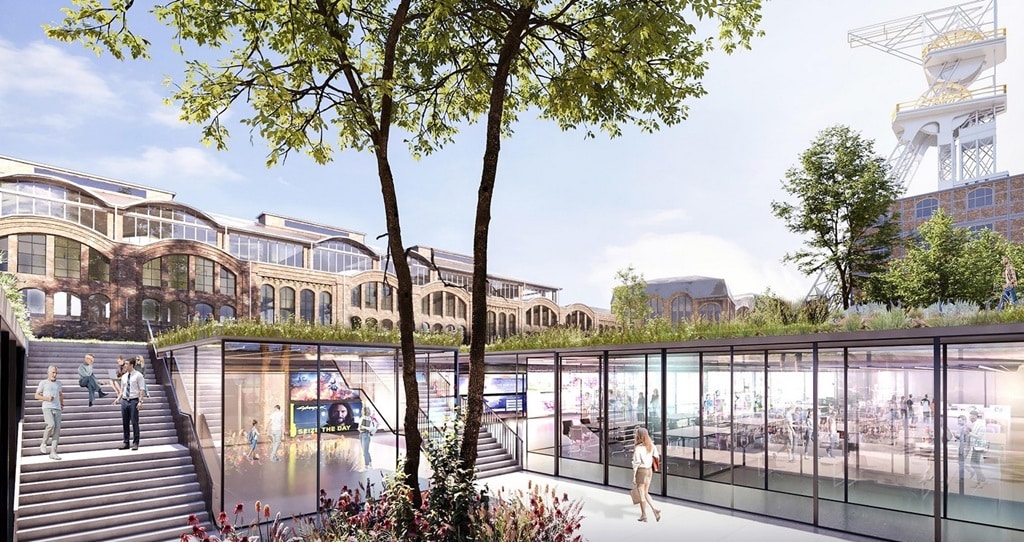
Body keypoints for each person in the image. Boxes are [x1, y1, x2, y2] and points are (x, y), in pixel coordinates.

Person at [630, 427, 661, 522]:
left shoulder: (638, 448)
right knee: (645, 492)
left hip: (641, 471)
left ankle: (644, 515)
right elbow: (656, 457)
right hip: (649, 471)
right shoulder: (651, 446)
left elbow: (636, 463)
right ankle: (654, 510)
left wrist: (634, 476)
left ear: (638, 436)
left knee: (641, 494)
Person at [35, 365, 64, 460]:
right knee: (51, 425)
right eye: (53, 372)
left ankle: (53, 452)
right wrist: (46, 398)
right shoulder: (43, 383)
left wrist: (62, 404)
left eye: (56, 373)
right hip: (47, 407)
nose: (55, 375)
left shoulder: (59, 383)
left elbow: (60, 394)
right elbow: (36, 396)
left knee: (57, 430)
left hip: (57, 408)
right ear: (48, 373)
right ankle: (43, 443)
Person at [117, 357, 146, 450]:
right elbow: (122, 390)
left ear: (132, 365)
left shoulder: (138, 375)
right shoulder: (124, 376)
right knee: (125, 423)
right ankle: (126, 442)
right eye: (125, 364)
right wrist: (118, 399)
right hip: (125, 401)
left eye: (126, 364)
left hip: (134, 400)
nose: (125, 366)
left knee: (134, 422)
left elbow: (142, 389)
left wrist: (141, 401)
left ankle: (136, 443)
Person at [968, 410, 988, 487]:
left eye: (971, 416)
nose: (970, 418)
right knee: (975, 464)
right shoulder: (975, 424)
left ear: (975, 416)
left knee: (974, 463)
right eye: (970, 416)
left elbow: (980, 436)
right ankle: (980, 481)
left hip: (978, 447)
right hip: (976, 446)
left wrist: (969, 433)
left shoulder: (981, 424)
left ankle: (982, 480)